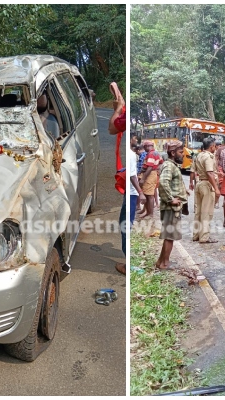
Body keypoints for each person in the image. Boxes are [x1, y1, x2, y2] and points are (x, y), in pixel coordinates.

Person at [155, 141, 188, 269]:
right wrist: (170, 199)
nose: (183, 155)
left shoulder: (171, 165)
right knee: (170, 236)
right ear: (173, 153)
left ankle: (160, 262)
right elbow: (163, 182)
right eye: (180, 152)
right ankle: (165, 264)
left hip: (172, 207)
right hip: (171, 208)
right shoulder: (169, 166)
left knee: (168, 236)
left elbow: (170, 183)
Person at [108, 82, 126, 275]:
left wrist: (119, 109)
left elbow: (112, 128)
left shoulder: (126, 118)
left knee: (125, 220)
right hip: (136, 182)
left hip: (132, 182)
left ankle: (127, 262)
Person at [192, 137, 221, 243]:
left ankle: (196, 235)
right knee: (206, 212)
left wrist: (217, 173)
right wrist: (216, 188)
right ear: (211, 146)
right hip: (207, 185)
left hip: (199, 183)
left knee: (198, 211)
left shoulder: (199, 155)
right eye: (214, 146)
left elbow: (201, 170)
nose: (215, 147)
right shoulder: (209, 157)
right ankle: (204, 237)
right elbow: (209, 173)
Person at [137, 141, 162, 219]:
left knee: (149, 196)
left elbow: (149, 167)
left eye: (144, 147)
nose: (144, 149)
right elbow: (161, 163)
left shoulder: (151, 154)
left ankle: (150, 214)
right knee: (147, 194)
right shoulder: (156, 153)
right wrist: (157, 169)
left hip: (150, 175)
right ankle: (147, 212)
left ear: (147, 146)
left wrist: (143, 179)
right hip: (152, 174)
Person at [129, 136, 147, 231]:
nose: (137, 140)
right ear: (130, 139)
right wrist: (140, 192)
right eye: (135, 138)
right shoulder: (131, 155)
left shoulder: (132, 154)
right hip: (131, 192)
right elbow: (131, 176)